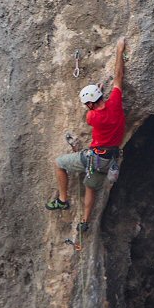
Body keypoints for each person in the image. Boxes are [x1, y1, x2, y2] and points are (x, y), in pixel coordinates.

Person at [46, 36, 126, 232]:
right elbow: (118, 77)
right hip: (110, 159)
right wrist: (119, 51)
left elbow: (93, 112)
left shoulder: (92, 118)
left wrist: (95, 96)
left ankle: (63, 200)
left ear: (89, 104)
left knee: (59, 163)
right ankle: (84, 222)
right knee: (91, 188)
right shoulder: (116, 103)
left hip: (93, 157)